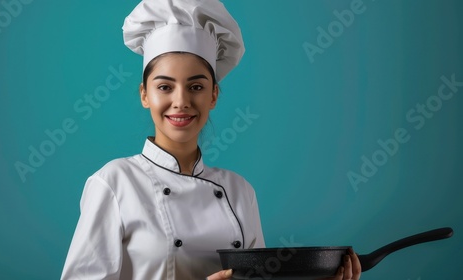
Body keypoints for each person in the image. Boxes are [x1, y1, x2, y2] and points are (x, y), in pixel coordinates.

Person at [61, 0, 361, 279]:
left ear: (214, 95)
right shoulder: (114, 183)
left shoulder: (240, 191)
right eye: (165, 87)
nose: (181, 101)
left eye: (196, 86)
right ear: (144, 95)